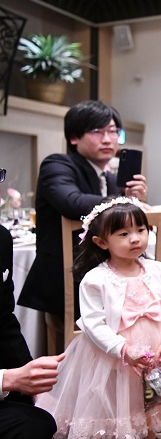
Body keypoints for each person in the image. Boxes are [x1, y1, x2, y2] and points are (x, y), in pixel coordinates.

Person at [17, 100, 161, 355]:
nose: (108, 139)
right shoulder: (57, 164)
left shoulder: (111, 178)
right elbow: (71, 202)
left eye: (113, 131)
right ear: (74, 137)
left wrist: (133, 199)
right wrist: (124, 202)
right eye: (97, 131)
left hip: (117, 273)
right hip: (73, 278)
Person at [36, 198, 161, 437]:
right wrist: (122, 349)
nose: (135, 238)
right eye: (123, 234)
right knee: (119, 404)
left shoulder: (157, 270)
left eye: (141, 230)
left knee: (150, 402)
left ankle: (149, 432)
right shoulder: (96, 279)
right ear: (102, 242)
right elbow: (93, 323)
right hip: (112, 354)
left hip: (154, 348)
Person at [0, 169, 60, 439]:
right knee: (32, 425)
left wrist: (30, 383)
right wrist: (6, 379)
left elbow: (4, 320)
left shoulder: (1, 239)